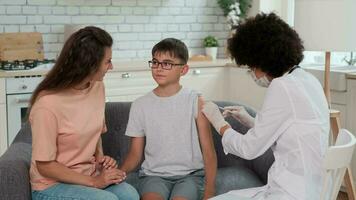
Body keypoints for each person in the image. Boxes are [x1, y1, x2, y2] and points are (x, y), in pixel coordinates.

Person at [202, 13, 330, 200]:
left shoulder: (282, 87)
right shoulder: (307, 79)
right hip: (314, 189)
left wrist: (219, 123)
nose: (253, 72)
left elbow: (249, 149)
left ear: (264, 59)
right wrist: (250, 121)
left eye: (252, 66)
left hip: (291, 193)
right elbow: (291, 131)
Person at [28, 26, 139, 200]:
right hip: (51, 185)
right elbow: (45, 166)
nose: (111, 66)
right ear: (90, 64)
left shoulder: (97, 87)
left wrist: (101, 159)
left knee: (130, 195)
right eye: (107, 61)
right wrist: (94, 182)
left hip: (87, 176)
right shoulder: (47, 104)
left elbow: (96, 134)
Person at [120, 38, 217, 200]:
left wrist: (210, 189)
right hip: (153, 176)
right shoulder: (139, 105)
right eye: (155, 62)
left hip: (190, 176)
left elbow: (209, 151)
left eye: (167, 63)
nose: (159, 68)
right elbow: (135, 154)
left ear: (183, 69)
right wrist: (119, 173)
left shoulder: (195, 101)